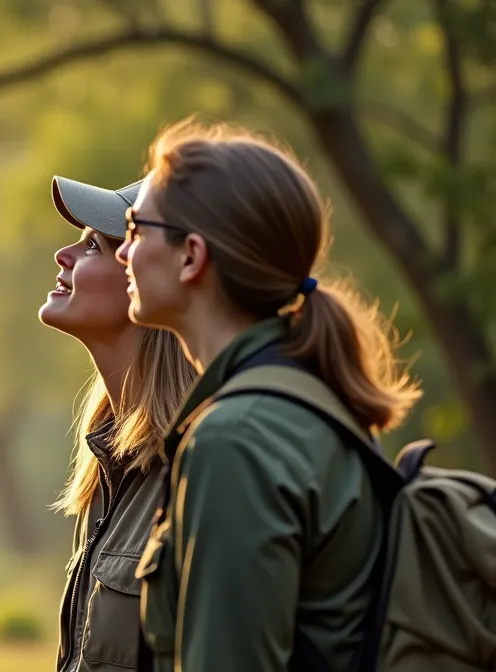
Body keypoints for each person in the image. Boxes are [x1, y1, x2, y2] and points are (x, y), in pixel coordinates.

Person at [115, 119, 421, 671]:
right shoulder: (301, 403)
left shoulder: (237, 439)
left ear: (191, 257)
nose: (123, 252)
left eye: (136, 227)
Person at [41, 176, 195, 671]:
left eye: (93, 245)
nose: (63, 255)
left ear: (144, 276)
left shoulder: (195, 468)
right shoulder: (109, 462)